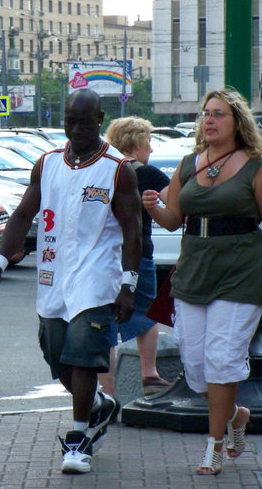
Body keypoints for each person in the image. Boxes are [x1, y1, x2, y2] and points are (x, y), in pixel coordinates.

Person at [142, 88, 262, 476]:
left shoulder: (257, 168)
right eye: (206, 114)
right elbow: (173, 220)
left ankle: (213, 445)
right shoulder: (188, 164)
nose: (209, 120)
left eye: (218, 114)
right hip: (194, 271)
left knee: (222, 360)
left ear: (237, 121)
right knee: (197, 366)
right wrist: (152, 208)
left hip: (242, 270)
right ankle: (237, 416)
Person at [0, 88, 142, 475]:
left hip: (96, 278)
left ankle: (79, 438)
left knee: (84, 353)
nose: (76, 129)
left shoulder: (118, 168)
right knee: (56, 353)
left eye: (85, 122)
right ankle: (99, 402)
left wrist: (128, 284)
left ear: (100, 120)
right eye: (70, 121)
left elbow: (134, 230)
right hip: (53, 278)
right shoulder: (47, 163)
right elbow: (22, 216)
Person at [98, 116, 171, 396]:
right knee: (145, 312)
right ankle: (149, 373)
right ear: (136, 142)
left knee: (104, 321)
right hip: (138, 254)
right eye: (149, 141)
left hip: (104, 255)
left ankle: (108, 392)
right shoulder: (147, 174)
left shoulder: (104, 170)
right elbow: (175, 203)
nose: (151, 149)